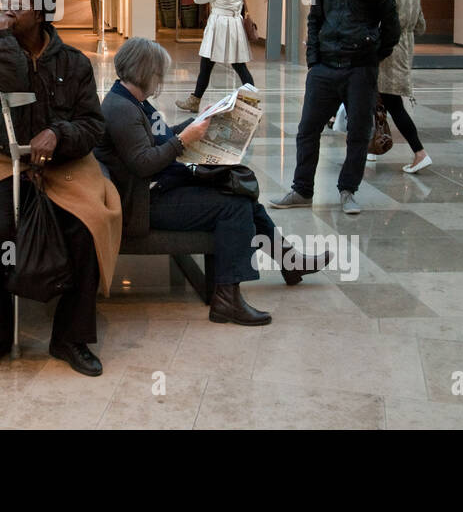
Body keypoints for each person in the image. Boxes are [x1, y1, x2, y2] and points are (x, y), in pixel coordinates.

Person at [98, 38, 333, 325]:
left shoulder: (131, 101)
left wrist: (201, 121)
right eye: (159, 74)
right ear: (146, 71)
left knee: (241, 195)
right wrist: (185, 139)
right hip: (143, 204)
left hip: (154, 190)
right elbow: (144, 162)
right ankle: (226, 299)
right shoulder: (122, 109)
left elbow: (160, 139)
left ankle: (289, 263)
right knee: (232, 206)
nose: (160, 80)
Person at [0, 0, 122, 376]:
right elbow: (4, 85)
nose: (5, 12)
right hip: (5, 161)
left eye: (15, 7)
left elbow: (92, 125)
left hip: (64, 164)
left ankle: (70, 337)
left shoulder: (74, 62)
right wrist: (3, 38)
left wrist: (59, 133)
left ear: (39, 13)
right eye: (4, 6)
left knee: (85, 226)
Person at [271, 0, 399, 215]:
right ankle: (302, 189)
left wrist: (370, 56)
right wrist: (314, 60)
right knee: (307, 130)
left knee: (357, 132)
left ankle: (348, 190)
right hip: (325, 69)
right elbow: (315, 19)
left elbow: (391, 29)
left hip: (360, 70)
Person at [372, 0, 431, 173]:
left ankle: (419, 152)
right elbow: (421, 26)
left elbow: (379, 21)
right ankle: (372, 148)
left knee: (392, 104)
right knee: (381, 101)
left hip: (386, 51)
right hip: (404, 48)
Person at [176, 0, 254, 113]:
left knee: (206, 65)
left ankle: (194, 100)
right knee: (240, 66)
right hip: (235, 25)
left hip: (219, 25)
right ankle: (252, 102)